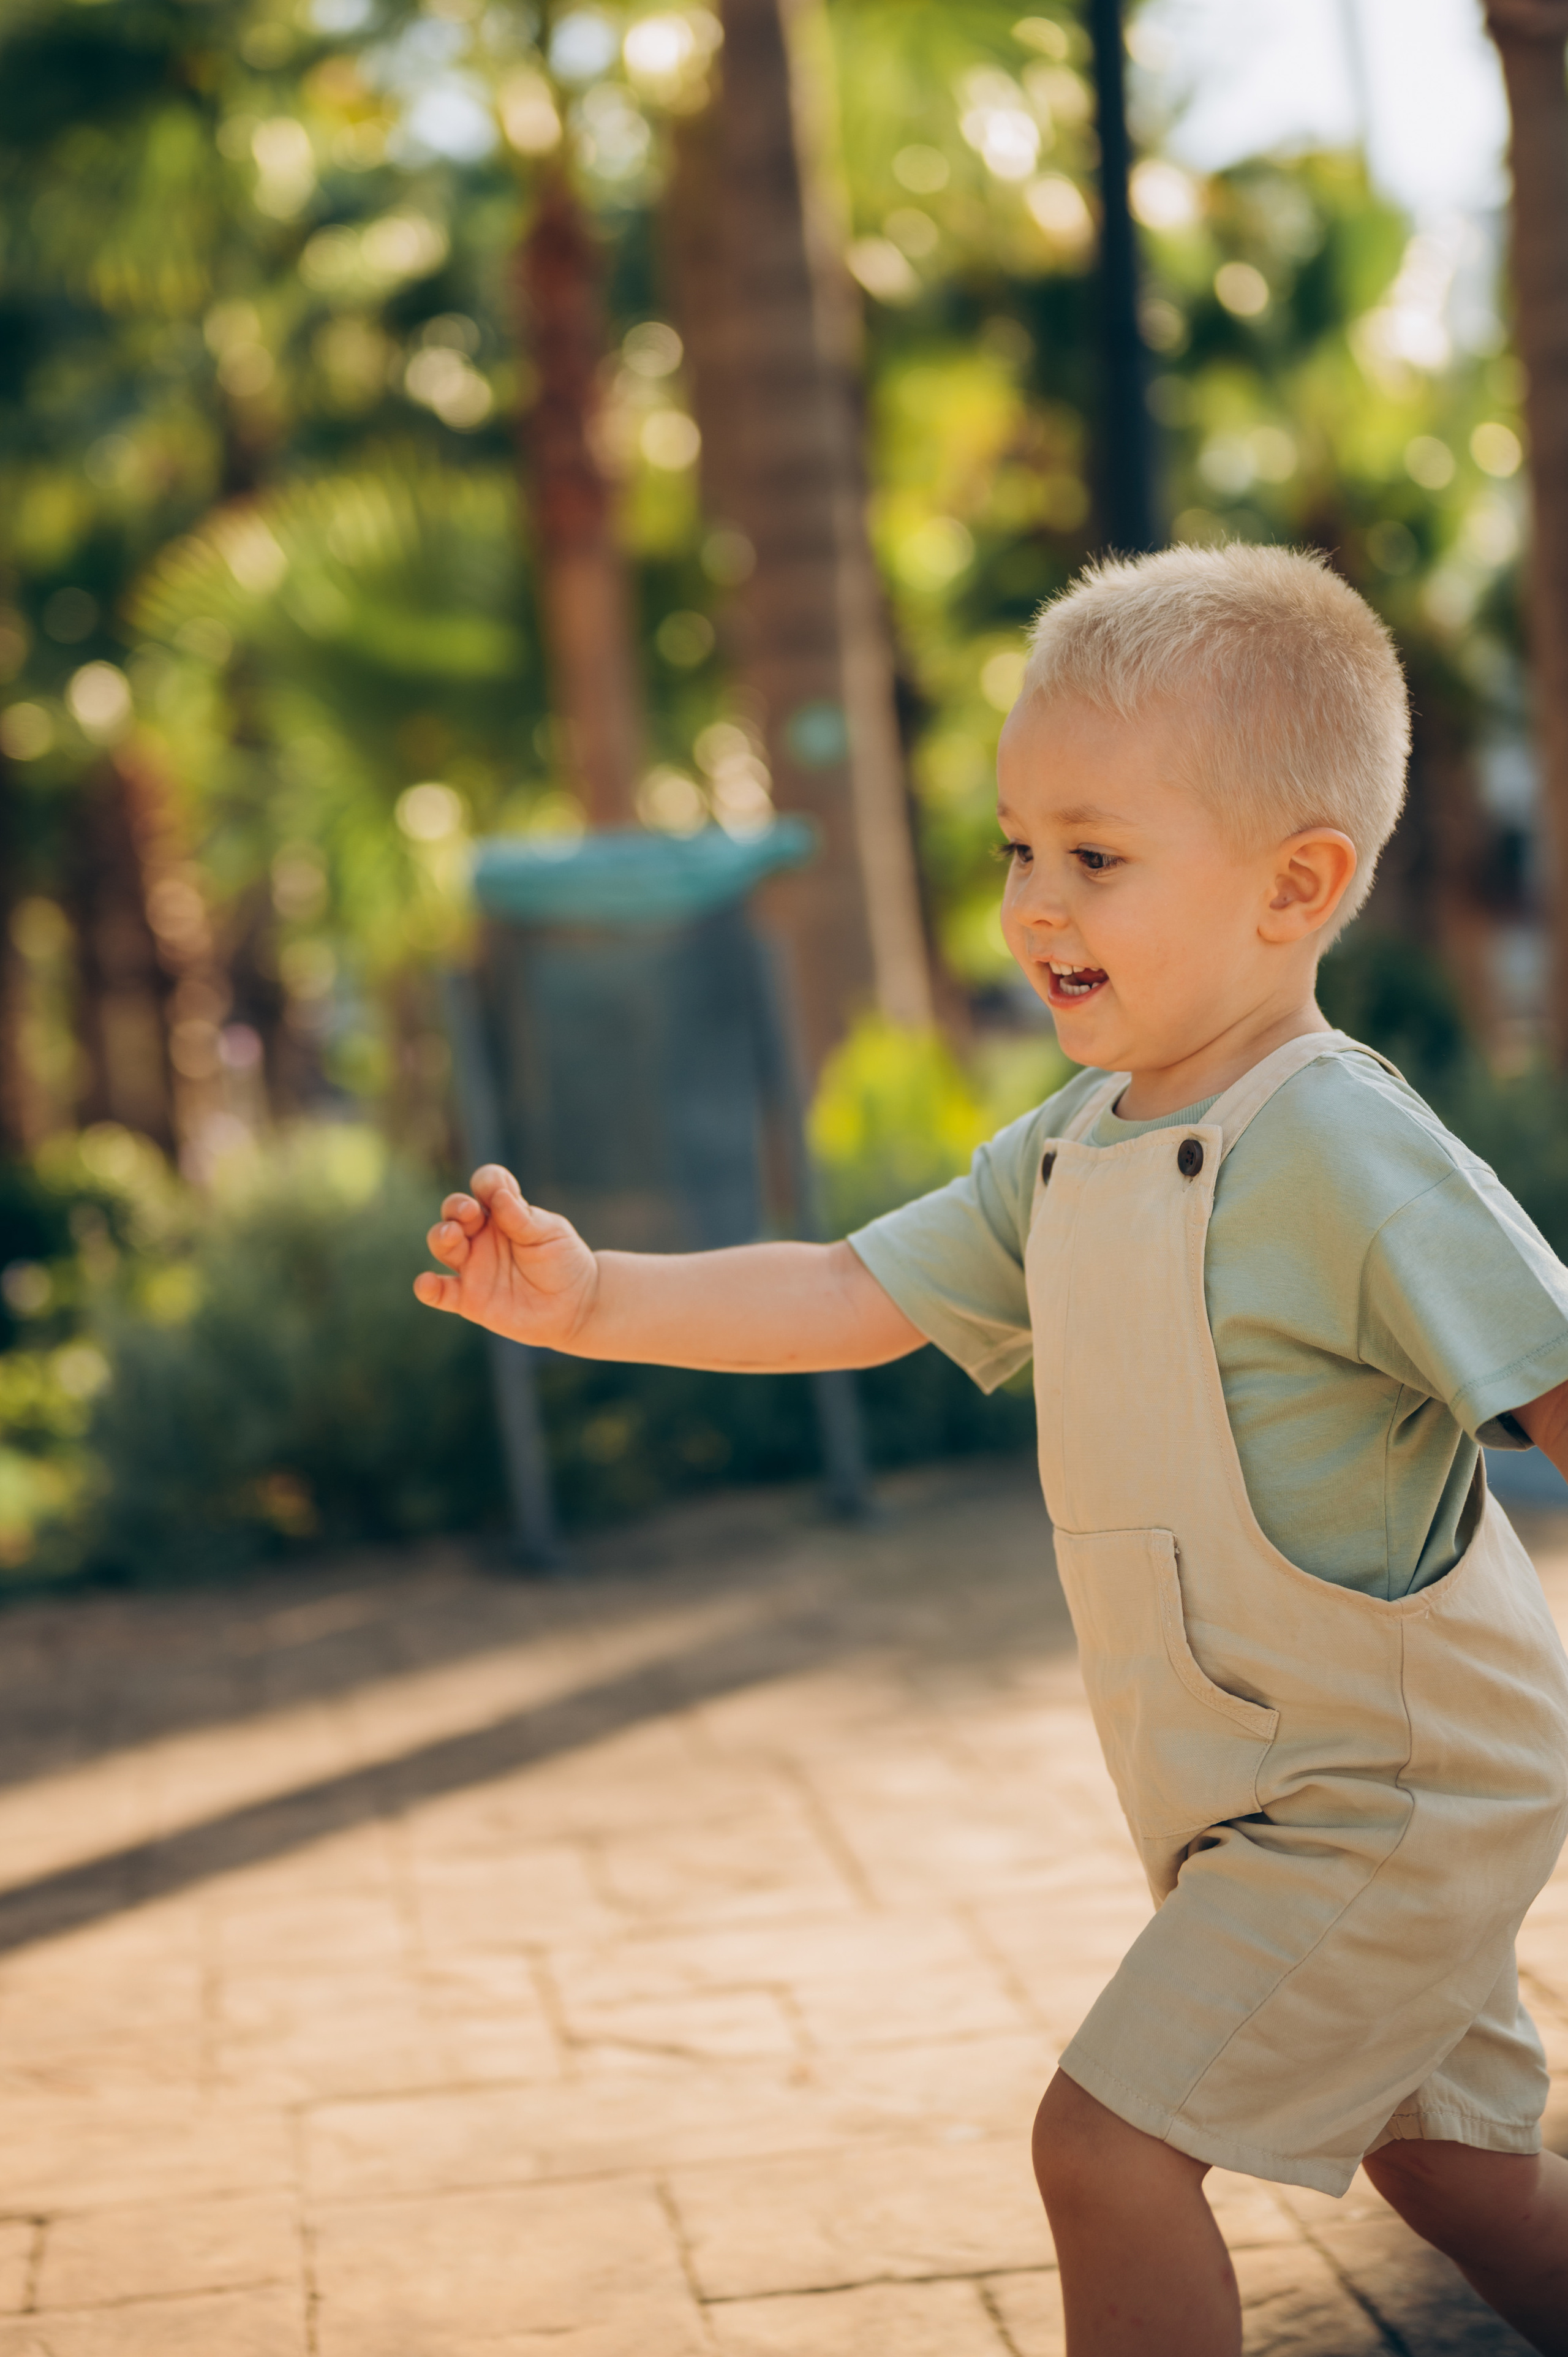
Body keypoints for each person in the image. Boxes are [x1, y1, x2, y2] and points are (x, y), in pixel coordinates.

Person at [416, 543, 1568, 2356]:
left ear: (1299, 885)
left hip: (1389, 1794)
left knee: (1106, 2153)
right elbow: (847, 1290)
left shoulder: (1346, 1145)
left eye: (1096, 856)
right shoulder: (1072, 1148)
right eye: (1018, 847)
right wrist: (592, 1298)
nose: (1035, 901)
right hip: (1242, 1787)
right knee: (1451, 2166)